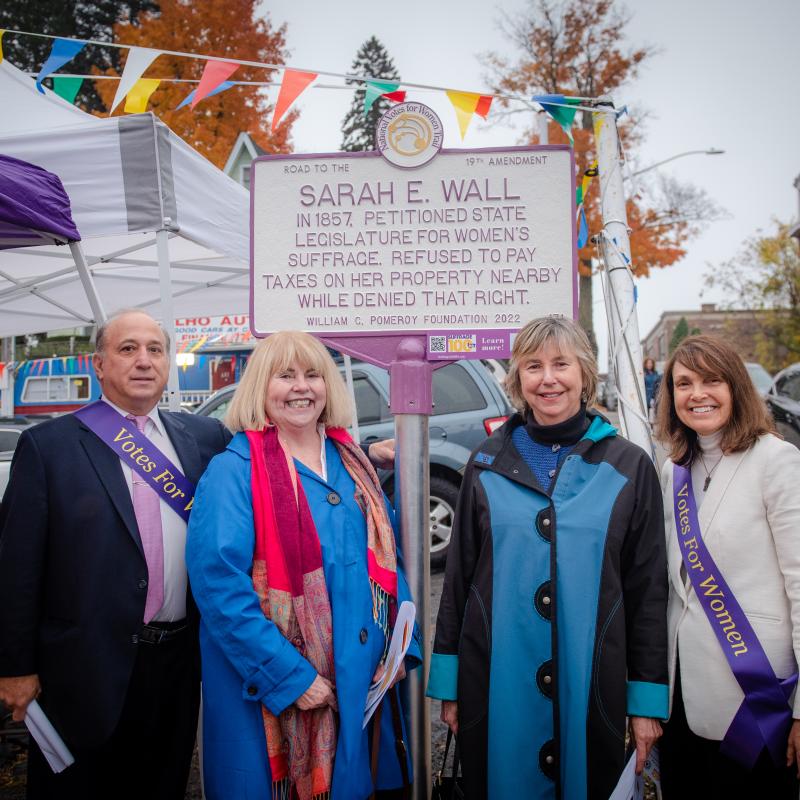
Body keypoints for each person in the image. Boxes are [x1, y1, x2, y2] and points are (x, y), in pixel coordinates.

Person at [427, 315, 668, 800]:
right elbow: (458, 583)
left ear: (584, 372)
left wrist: (646, 702)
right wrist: (449, 685)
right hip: (499, 684)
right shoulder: (486, 463)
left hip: (594, 685)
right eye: (533, 366)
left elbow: (648, 592)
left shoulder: (628, 466)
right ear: (518, 378)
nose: (548, 378)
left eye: (561, 363)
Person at [0, 309, 231, 800]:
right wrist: (15, 667)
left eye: (155, 349)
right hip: (82, 670)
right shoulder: (49, 446)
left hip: (177, 662)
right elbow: (16, 567)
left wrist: (354, 450)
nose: (144, 360)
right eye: (128, 349)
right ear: (99, 365)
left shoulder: (206, 440)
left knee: (162, 784)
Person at [185, 330, 421, 800]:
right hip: (280, 698)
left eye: (313, 374)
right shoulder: (233, 472)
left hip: (366, 689)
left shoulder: (353, 462)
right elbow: (219, 590)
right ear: (259, 388)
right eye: (285, 375)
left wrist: (401, 646)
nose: (301, 387)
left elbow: (391, 558)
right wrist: (290, 678)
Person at [655, 335, 800, 798]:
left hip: (757, 700)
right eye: (684, 383)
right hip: (683, 696)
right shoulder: (673, 469)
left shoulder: (777, 461)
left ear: (735, 386)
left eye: (712, 380)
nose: (697, 394)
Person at [644, 357, 661, 423]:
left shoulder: (656, 373)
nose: (649, 365)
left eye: (651, 363)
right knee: (646, 413)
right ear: (645, 364)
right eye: (648, 363)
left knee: (655, 413)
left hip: (655, 394)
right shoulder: (643, 373)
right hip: (646, 394)